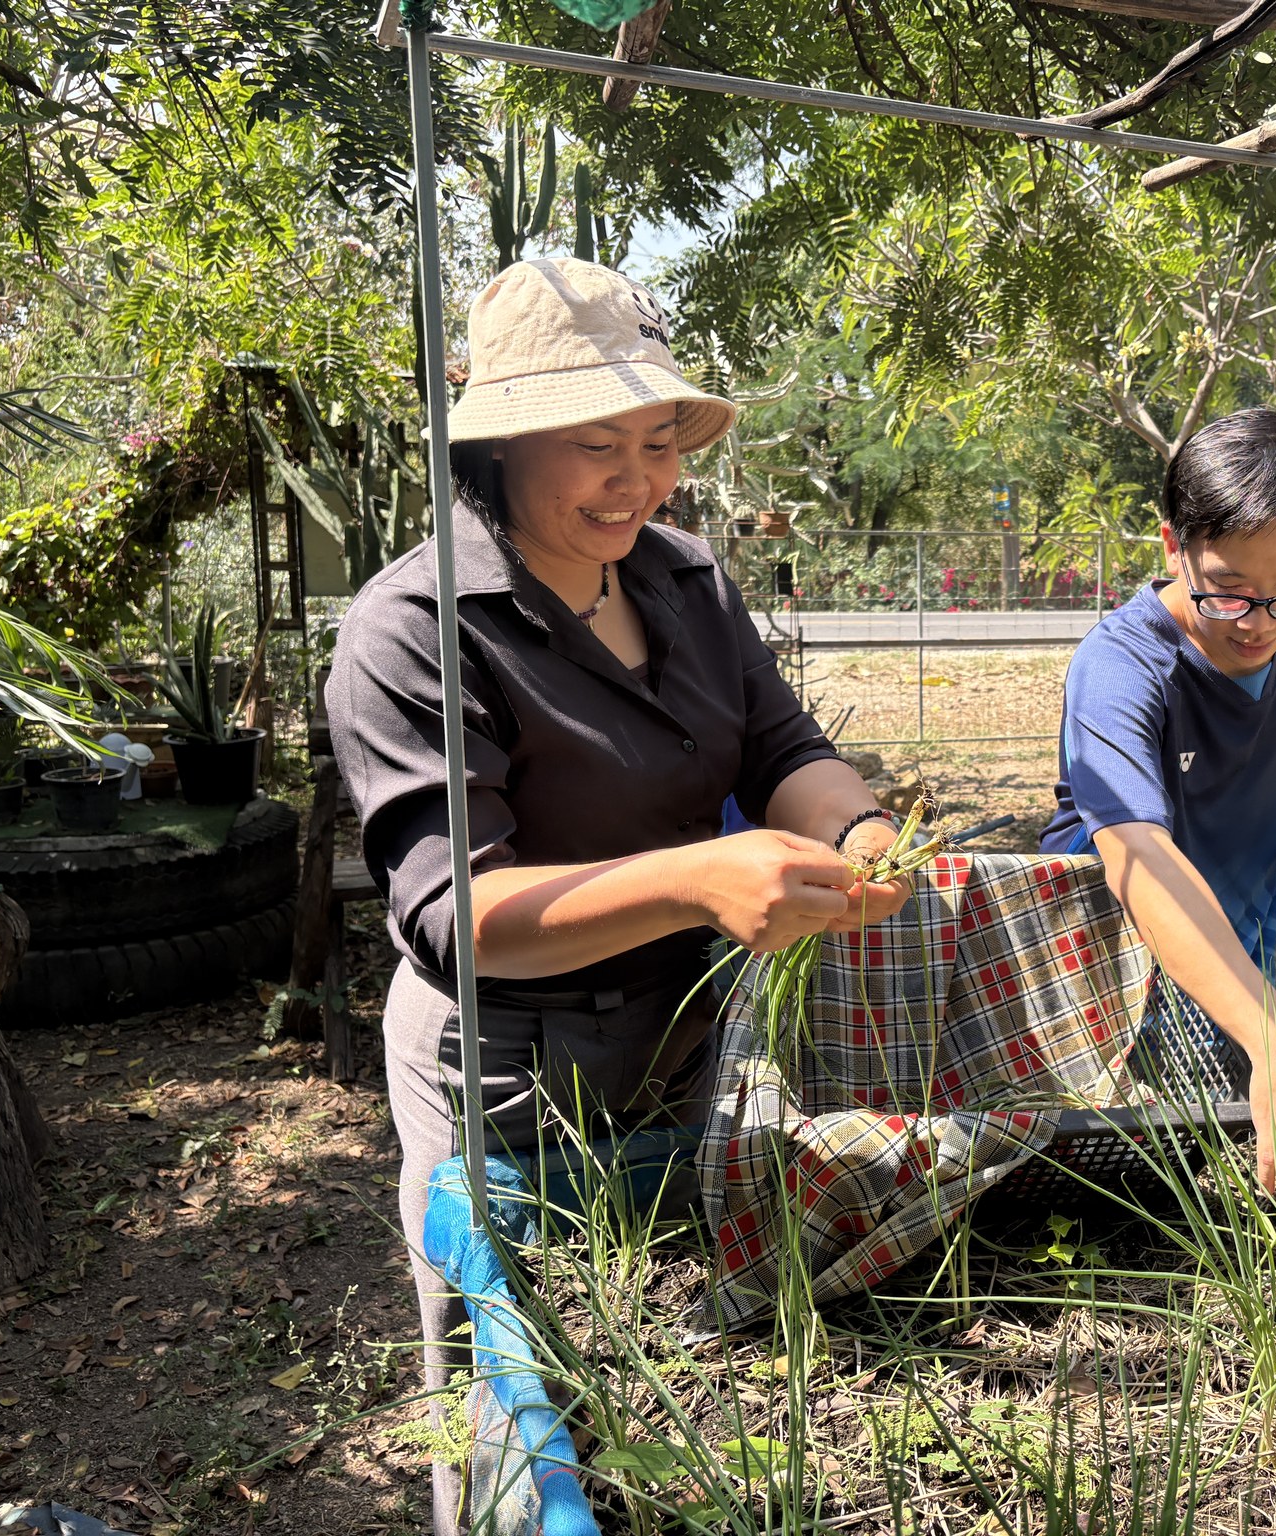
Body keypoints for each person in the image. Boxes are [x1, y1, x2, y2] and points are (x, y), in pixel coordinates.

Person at [327, 257, 909, 1534]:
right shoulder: (415, 626)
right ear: (498, 446)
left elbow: (780, 747)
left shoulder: (683, 578)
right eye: (594, 444)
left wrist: (856, 828)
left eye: (656, 444)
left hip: (685, 1033)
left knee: (688, 1352)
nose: (634, 480)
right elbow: (456, 918)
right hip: (506, 1066)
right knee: (513, 1399)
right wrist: (699, 878)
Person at [1040, 407, 1276, 1223]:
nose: (1260, 623)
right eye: (1229, 592)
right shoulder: (1120, 667)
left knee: (1233, 1153)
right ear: (1175, 547)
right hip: (1109, 980)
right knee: (1120, 1197)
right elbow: (1139, 857)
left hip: (1236, 964)